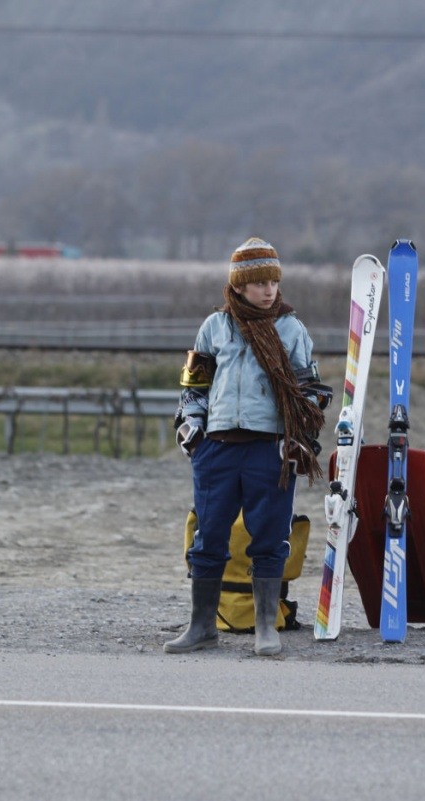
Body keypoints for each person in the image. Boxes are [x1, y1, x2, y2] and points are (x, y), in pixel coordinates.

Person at [164, 237, 330, 656]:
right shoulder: (214, 327)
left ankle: (265, 627)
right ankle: (202, 626)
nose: (268, 290)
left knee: (270, 537)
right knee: (208, 537)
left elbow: (312, 390)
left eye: (273, 281)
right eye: (258, 283)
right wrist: (193, 435)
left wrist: (299, 441)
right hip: (216, 450)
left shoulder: (291, 328)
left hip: (269, 450)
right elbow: (194, 388)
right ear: (238, 286)